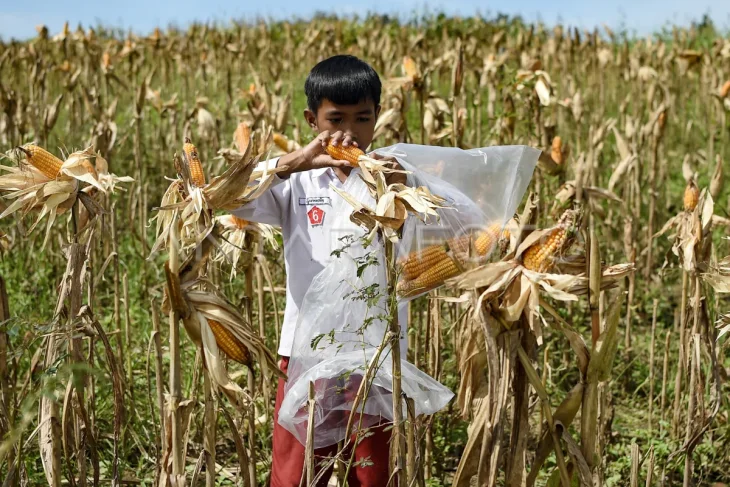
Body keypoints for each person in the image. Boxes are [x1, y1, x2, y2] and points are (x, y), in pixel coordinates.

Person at [233, 54, 406, 487]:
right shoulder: (295, 183)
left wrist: (402, 190)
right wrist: (288, 163)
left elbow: (451, 233)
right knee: (296, 475)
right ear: (312, 120)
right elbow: (228, 198)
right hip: (304, 353)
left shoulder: (398, 179)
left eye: (362, 118)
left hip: (373, 355)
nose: (350, 131)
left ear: (377, 117)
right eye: (335, 119)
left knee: (372, 477)